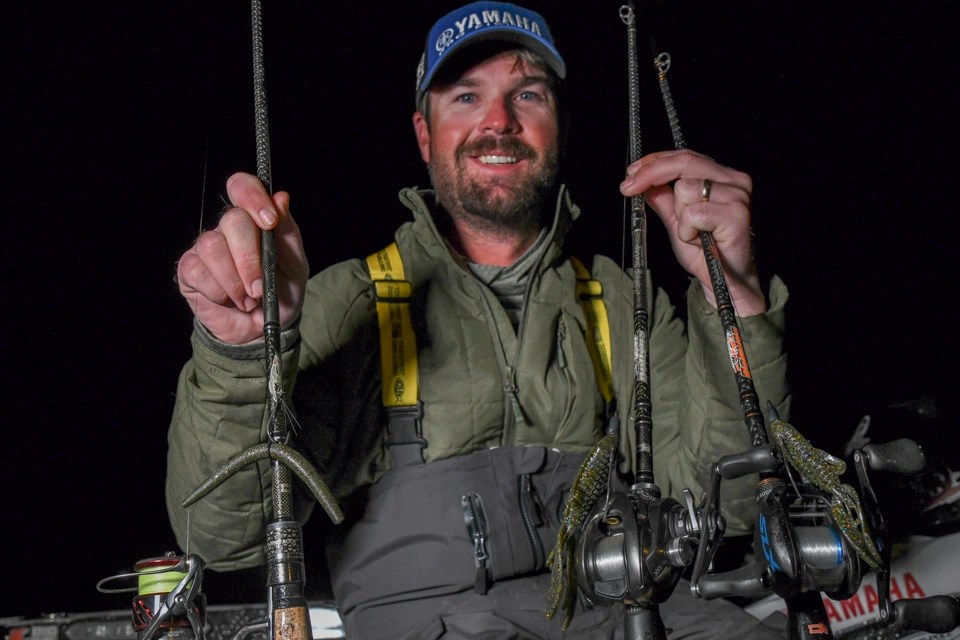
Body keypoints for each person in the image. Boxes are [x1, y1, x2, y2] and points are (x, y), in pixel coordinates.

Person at [167, 2, 790, 638]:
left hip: (628, 609)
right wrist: (240, 353)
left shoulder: (619, 297)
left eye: (528, 94)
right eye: (466, 97)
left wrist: (732, 291)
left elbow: (732, 505)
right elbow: (226, 538)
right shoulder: (352, 300)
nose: (499, 120)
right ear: (424, 134)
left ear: (558, 126)